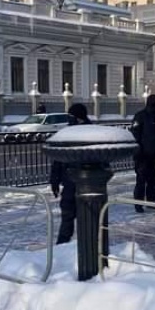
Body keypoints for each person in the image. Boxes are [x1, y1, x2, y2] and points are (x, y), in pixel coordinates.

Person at [50, 103, 92, 244]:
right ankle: (62, 246)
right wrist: (54, 181)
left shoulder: (92, 133)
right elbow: (58, 159)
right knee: (67, 216)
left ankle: (88, 246)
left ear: (79, 117)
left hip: (86, 184)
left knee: (87, 218)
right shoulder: (67, 133)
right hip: (69, 182)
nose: (69, 119)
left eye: (71, 116)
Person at [131, 94, 155, 213]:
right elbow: (135, 135)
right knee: (141, 180)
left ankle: (151, 201)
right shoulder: (140, 116)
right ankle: (138, 203)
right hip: (142, 155)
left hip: (154, 154)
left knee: (153, 179)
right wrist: (138, 151)